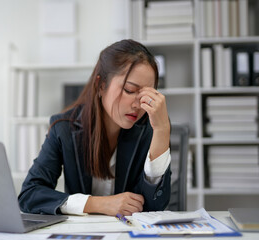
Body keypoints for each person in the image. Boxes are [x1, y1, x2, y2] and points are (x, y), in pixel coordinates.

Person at [18, 39, 171, 216]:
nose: (139, 104)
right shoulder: (64, 128)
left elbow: (156, 206)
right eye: (130, 90)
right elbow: (29, 194)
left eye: (147, 94)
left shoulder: (152, 128)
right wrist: (97, 204)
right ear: (100, 86)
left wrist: (162, 131)